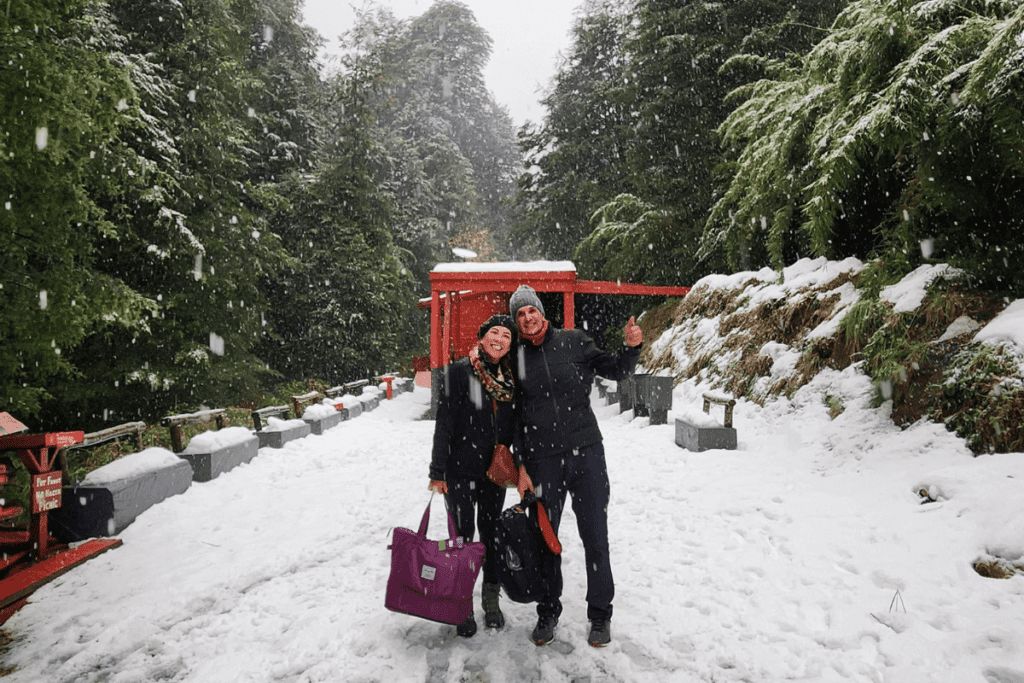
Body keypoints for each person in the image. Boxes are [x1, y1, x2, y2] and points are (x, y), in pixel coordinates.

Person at [508, 284, 643, 648]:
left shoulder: (575, 340)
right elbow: (515, 420)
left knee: (596, 537)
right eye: (520, 315)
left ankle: (600, 614)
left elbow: (616, 370)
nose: (527, 318)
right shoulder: (515, 357)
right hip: (542, 462)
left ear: (541, 311)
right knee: (545, 541)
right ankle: (547, 611)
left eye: (530, 310)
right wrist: (521, 466)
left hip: (586, 454)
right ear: (516, 323)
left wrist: (631, 348)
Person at [428, 314, 517, 637]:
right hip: (460, 470)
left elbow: (514, 427)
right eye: (494, 332)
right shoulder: (458, 373)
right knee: (463, 538)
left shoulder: (510, 378)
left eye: (506, 335)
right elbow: (444, 426)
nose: (499, 338)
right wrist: (437, 471)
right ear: (482, 338)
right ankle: (461, 602)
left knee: (492, 535)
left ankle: (491, 600)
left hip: (494, 473)